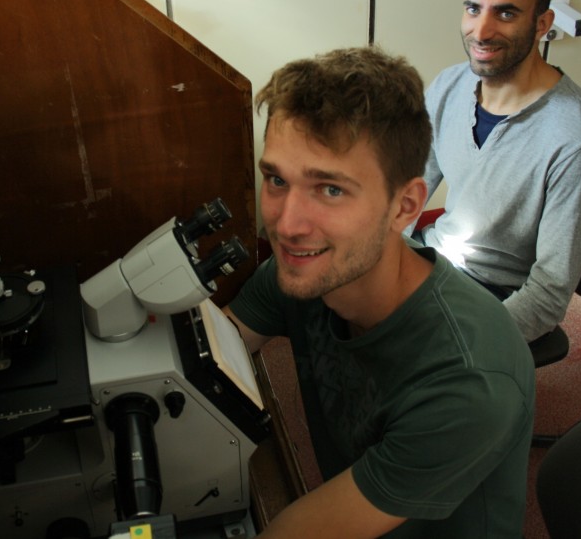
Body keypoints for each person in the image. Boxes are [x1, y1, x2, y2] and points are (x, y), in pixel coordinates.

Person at [223, 46, 535, 538]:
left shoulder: (468, 381)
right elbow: (213, 356)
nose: (286, 224)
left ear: (403, 205)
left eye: (330, 189)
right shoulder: (307, 270)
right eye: (277, 179)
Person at [416, 0, 581, 343]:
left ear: (543, 24)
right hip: (437, 256)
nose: (482, 31)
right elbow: (405, 188)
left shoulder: (579, 140)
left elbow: (548, 294)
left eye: (505, 13)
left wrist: (463, 343)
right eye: (473, 9)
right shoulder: (450, 85)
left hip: (495, 295)